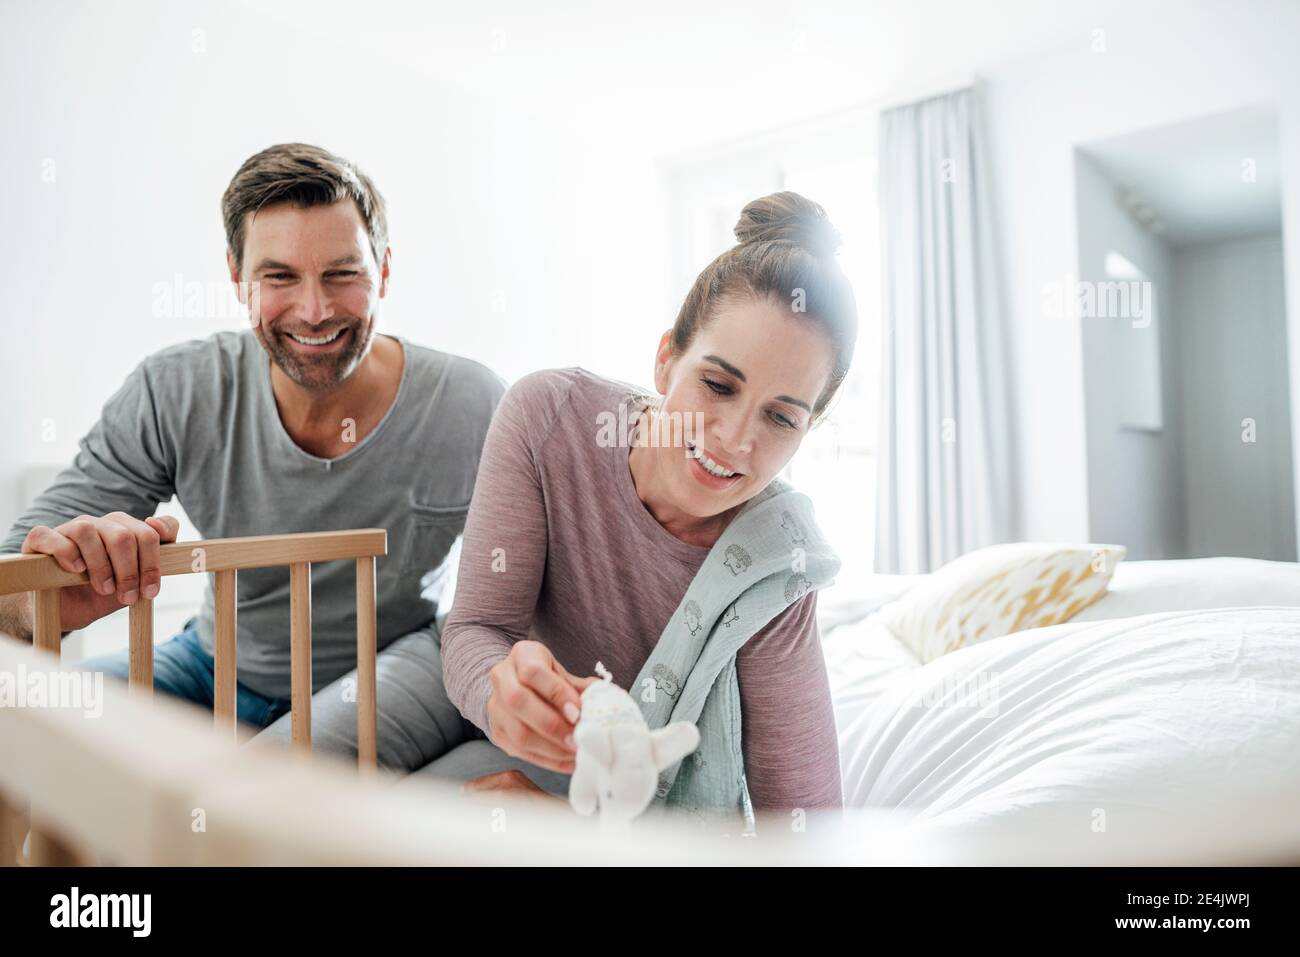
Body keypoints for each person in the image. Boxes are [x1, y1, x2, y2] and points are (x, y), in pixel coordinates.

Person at [0, 143, 504, 756]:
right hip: (208, 669)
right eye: (279, 276)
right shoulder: (176, 390)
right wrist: (46, 601)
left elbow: (544, 596)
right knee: (25, 726)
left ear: (386, 271)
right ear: (237, 279)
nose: (314, 311)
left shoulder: (474, 405)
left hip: (379, 685)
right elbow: (8, 594)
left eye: (343, 273)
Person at [410, 191, 860, 820]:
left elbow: (807, 830)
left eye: (781, 418)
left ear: (807, 430)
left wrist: (570, 839)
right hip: (462, 699)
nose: (733, 439)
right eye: (717, 385)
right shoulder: (549, 418)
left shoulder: (775, 569)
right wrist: (498, 692)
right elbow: (479, 629)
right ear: (666, 358)